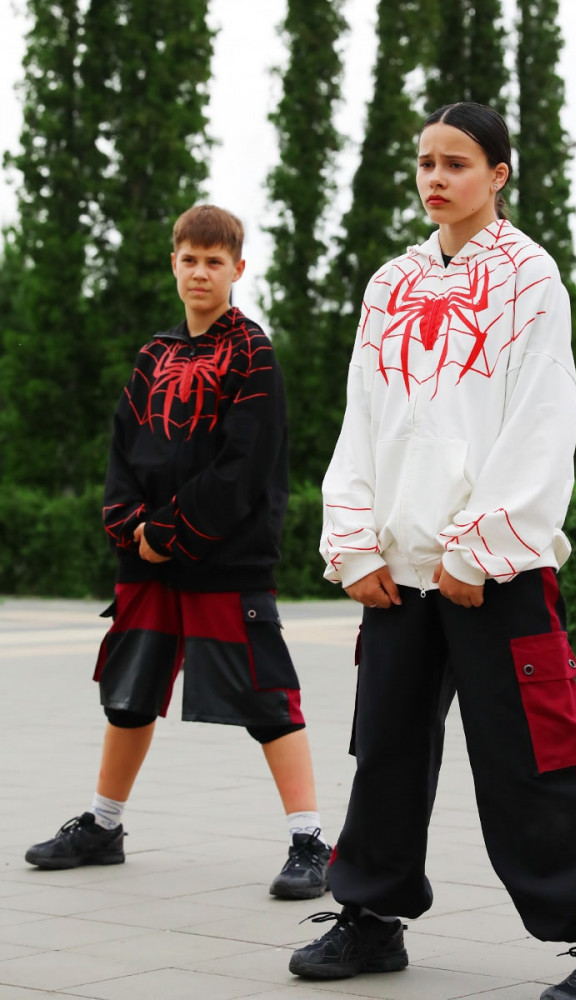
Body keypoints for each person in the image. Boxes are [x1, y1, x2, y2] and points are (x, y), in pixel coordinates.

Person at [287, 104, 576, 999]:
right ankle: (371, 917)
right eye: (426, 163)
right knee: (387, 748)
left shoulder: (531, 277)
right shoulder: (391, 282)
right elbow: (363, 416)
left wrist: (478, 549)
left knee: (538, 754)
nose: (436, 178)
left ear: (498, 175)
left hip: (496, 567)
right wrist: (354, 542)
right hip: (398, 571)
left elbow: (543, 421)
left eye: (457, 163)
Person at [25, 204, 330, 901]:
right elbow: (122, 449)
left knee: (267, 697)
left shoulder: (253, 352)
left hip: (226, 558)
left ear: (237, 269)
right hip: (145, 558)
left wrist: (170, 531)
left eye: (214, 261)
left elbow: (244, 465)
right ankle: (103, 825)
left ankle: (311, 841)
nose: (200, 272)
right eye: (189, 259)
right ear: (173, 263)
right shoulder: (153, 356)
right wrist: (130, 525)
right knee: (129, 693)